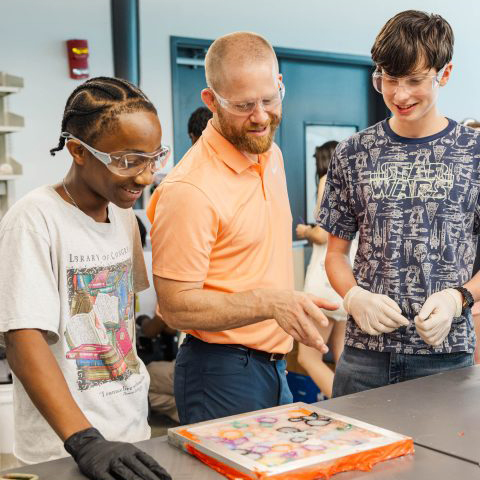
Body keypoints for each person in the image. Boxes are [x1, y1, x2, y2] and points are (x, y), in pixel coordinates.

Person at [147, 31, 337, 425]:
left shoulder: (272, 155)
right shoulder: (190, 189)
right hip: (219, 373)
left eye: (269, 99)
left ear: (280, 84)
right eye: (244, 105)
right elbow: (174, 306)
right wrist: (271, 303)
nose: (261, 116)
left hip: (273, 366)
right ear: (211, 101)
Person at [0, 77, 171, 480]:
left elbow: (122, 319)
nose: (145, 177)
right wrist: (84, 440)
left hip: (131, 432)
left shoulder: (124, 213)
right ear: (78, 151)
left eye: (153, 158)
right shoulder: (34, 220)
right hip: (65, 448)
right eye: (128, 161)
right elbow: (23, 341)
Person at [319, 10, 478, 398]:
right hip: (363, 358)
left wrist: (458, 298)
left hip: (446, 356)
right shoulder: (353, 153)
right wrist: (354, 298)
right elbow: (335, 255)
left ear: (445, 73)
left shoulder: (473, 154)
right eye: (389, 79)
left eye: (415, 80)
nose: (400, 95)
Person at [296, 140, 356, 398]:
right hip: (346, 281)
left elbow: (323, 234)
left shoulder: (327, 180)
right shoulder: (354, 180)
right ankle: (358, 404)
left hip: (324, 279)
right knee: (342, 355)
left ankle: (349, 407)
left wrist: (305, 231)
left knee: (307, 357)